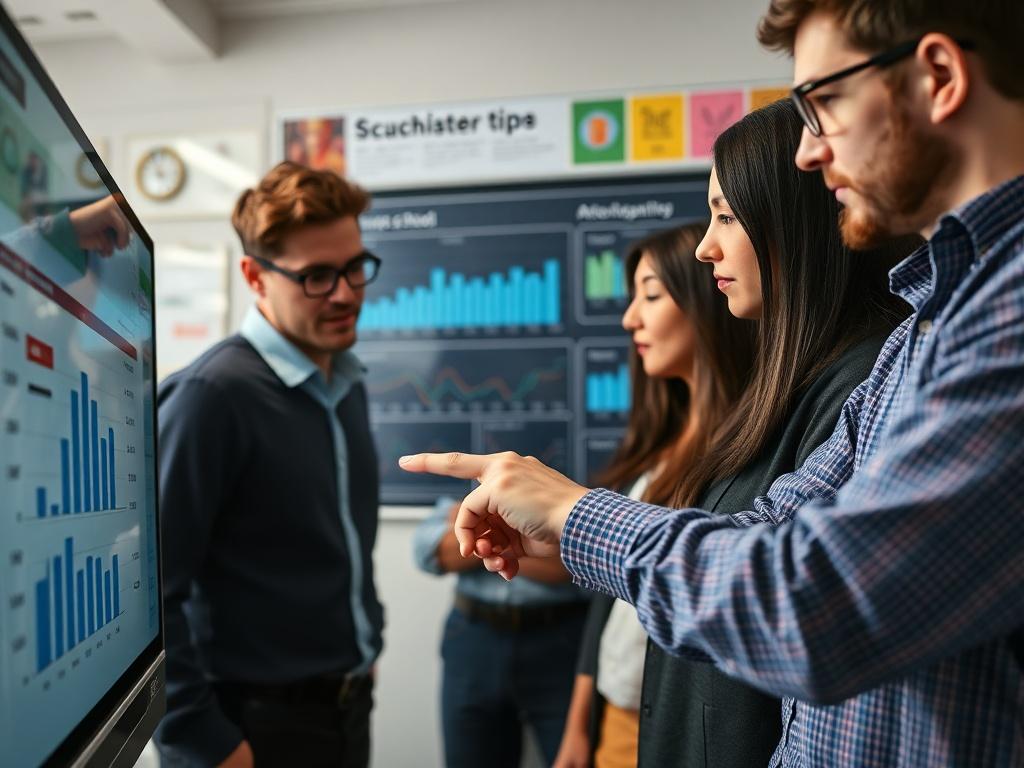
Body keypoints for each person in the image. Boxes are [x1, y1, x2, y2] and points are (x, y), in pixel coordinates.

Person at [399, 0, 1024, 764]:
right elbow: (766, 536)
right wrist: (573, 530)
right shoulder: (920, 331)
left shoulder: (1006, 321)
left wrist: (574, 512)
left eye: (823, 102)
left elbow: (817, 611)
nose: (807, 152)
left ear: (938, 76)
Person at [640, 100, 913, 768]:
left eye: (726, 217)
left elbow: (777, 584)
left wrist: (573, 516)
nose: (706, 245)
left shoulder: (863, 379)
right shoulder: (791, 386)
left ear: (795, 224)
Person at [154, 162, 385, 768]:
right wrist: (202, 737)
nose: (344, 294)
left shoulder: (345, 382)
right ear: (255, 276)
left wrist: (364, 645)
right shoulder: (212, 396)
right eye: (316, 277)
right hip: (246, 731)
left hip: (343, 709)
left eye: (355, 268)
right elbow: (149, 592)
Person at [548, 224, 757, 768]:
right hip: (616, 718)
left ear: (706, 300)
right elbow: (608, 608)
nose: (629, 319)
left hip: (675, 725)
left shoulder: (747, 456)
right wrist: (579, 724)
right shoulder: (661, 442)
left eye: (651, 295)